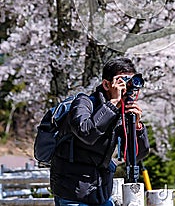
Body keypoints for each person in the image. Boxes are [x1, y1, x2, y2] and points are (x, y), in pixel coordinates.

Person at [50, 57, 150, 206]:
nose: (126, 87)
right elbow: (86, 133)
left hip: (100, 193)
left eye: (130, 81)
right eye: (121, 80)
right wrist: (113, 104)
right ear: (106, 84)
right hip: (73, 192)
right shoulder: (84, 103)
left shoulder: (122, 112)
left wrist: (136, 127)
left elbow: (135, 155)